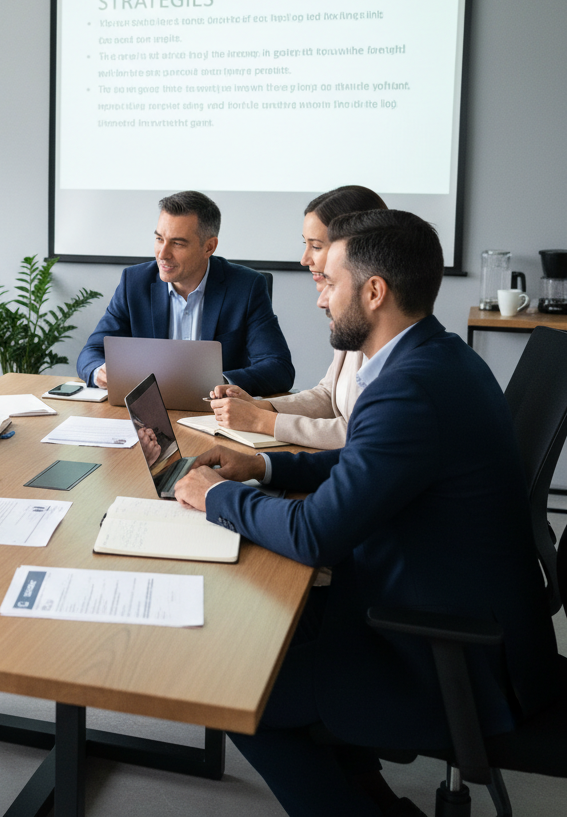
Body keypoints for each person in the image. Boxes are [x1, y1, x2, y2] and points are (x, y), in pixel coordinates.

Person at [174, 209, 558, 817]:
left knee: (234, 691)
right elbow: (370, 469)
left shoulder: (409, 388)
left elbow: (316, 534)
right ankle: (369, 796)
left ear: (374, 292)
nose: (321, 298)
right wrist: (266, 469)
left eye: (329, 282)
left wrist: (215, 496)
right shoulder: (436, 358)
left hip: (446, 653)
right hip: (458, 608)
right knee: (271, 625)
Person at [209, 185, 387, 449]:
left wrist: (262, 421)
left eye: (315, 246)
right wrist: (261, 407)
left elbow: (360, 432)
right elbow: (328, 395)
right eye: (305, 244)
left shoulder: (384, 330)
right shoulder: (352, 316)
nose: (304, 259)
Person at [76, 191, 294, 396]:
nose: (162, 254)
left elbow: (278, 367)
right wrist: (99, 372)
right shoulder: (134, 283)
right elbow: (92, 352)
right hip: (149, 411)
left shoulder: (246, 287)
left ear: (209, 247)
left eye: (177, 243)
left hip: (213, 414)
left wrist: (220, 384)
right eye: (159, 239)